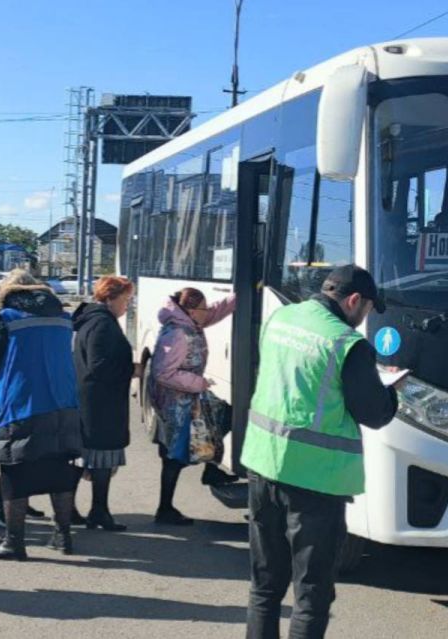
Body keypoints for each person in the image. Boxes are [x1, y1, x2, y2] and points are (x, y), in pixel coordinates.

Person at [241, 264, 399, 639]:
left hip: (263, 464)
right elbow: (373, 414)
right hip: (314, 481)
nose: (362, 321)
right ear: (354, 300)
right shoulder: (347, 343)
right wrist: (391, 389)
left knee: (265, 585)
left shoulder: (281, 318)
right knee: (311, 595)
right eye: (365, 311)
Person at [0, 269, 82, 560]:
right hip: (63, 403)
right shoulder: (63, 319)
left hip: (21, 405)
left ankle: (13, 541)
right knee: (60, 468)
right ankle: (63, 536)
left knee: (15, 472)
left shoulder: (9, 318)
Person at [147, 287, 235, 525]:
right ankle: (165, 509)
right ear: (190, 310)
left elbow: (215, 312)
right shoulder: (177, 333)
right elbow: (162, 372)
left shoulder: (190, 323)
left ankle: (211, 469)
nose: (207, 313)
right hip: (175, 403)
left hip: (188, 397)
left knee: (224, 415)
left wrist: (240, 296)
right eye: (203, 309)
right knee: (174, 456)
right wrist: (199, 383)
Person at [72, 275, 137, 531]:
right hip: (100, 404)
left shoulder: (94, 319)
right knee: (100, 459)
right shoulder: (102, 324)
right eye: (126, 299)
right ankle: (97, 511)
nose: (127, 305)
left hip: (93, 401)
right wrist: (132, 369)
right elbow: (99, 366)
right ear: (111, 297)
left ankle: (82, 510)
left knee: (86, 459)